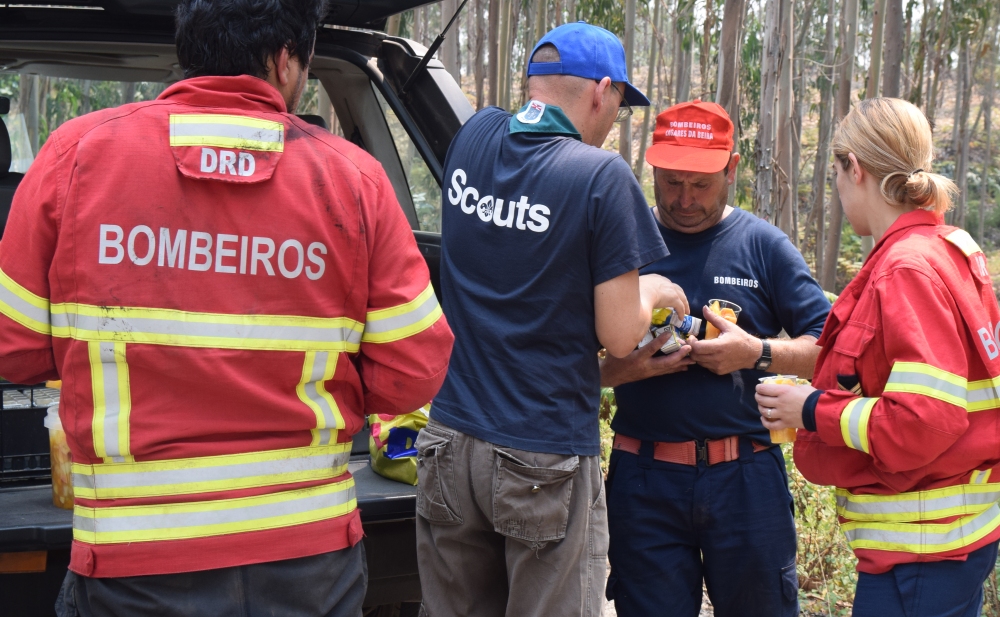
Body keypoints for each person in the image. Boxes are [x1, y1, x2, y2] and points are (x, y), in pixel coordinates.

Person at [0, 0, 454, 614]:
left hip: (136, 563)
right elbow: (416, 370)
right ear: (288, 61)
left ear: (190, 47)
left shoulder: (74, 157)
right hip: (309, 558)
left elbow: (18, 352)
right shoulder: (356, 179)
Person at [415, 22, 686, 617]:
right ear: (601, 91)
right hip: (542, 457)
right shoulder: (599, 175)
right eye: (619, 103)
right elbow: (619, 335)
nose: (615, 118)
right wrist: (656, 288)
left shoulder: (476, 135)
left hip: (449, 442)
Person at [756, 98, 1000, 617]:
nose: (839, 192)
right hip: (948, 542)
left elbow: (923, 418)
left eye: (837, 177)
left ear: (855, 170)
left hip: (920, 554)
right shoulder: (949, 248)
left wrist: (809, 409)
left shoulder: (905, 269)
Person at [600, 99, 832, 617]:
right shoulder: (620, 243)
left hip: (746, 477)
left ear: (731, 169)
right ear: (652, 168)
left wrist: (757, 352)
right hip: (643, 478)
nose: (683, 199)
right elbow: (565, 360)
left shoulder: (764, 246)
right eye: (671, 181)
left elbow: (832, 349)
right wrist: (621, 370)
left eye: (700, 184)